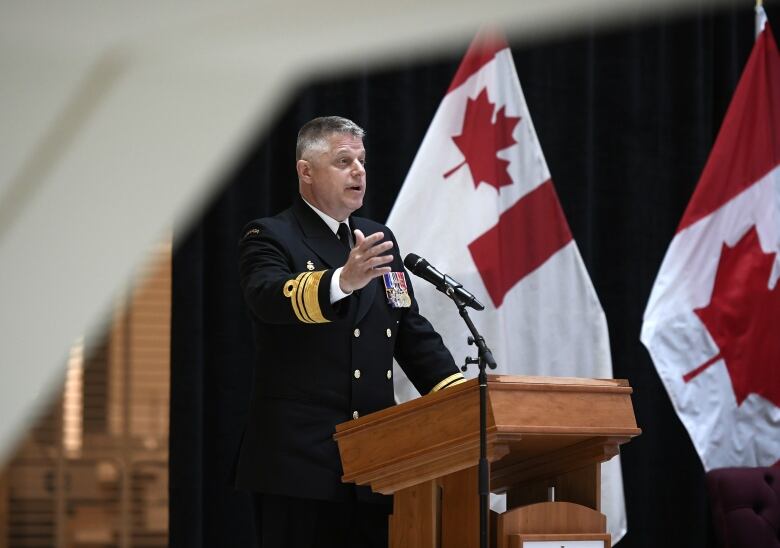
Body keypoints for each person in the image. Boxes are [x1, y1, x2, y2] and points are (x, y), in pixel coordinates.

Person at [235, 116, 465, 548]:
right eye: (344, 161)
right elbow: (269, 299)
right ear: (306, 171)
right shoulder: (270, 235)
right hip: (298, 463)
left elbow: (407, 327)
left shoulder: (377, 236)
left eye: (361, 160)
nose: (359, 170)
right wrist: (341, 280)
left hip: (375, 459)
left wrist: (459, 397)